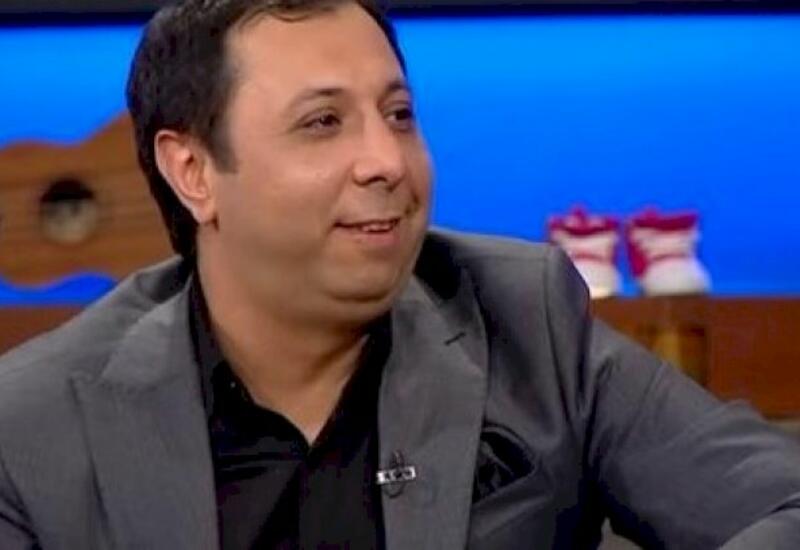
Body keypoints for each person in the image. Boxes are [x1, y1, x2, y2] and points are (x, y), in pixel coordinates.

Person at [0, 0, 799, 548]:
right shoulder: (32, 428)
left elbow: (782, 505)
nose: (387, 161)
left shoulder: (527, 326)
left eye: (399, 114)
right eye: (323, 122)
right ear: (194, 172)